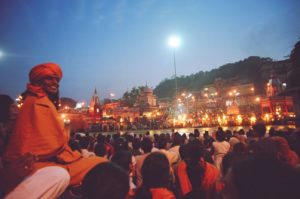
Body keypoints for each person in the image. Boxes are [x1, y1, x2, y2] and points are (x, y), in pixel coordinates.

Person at [2, 63, 107, 197]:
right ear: (39, 80)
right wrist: (71, 127)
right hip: (36, 166)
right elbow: (50, 146)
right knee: (101, 164)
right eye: (50, 78)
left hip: (43, 163)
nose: (55, 83)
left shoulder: (40, 101)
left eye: (57, 79)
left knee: (94, 161)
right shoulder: (38, 103)